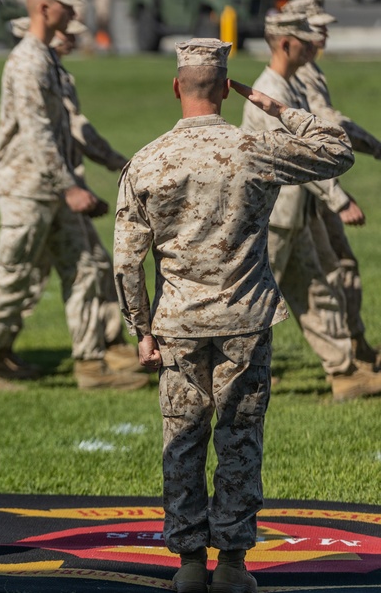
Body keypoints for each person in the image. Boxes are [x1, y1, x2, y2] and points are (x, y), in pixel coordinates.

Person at [113, 38, 353, 593]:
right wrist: (277, 108)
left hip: (177, 326)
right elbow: (336, 150)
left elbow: (127, 261)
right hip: (246, 319)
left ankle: (190, 566)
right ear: (225, 88)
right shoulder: (255, 147)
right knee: (240, 439)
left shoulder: (146, 161)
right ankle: (233, 566)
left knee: (184, 440)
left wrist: (140, 329)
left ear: (177, 87)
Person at [0, 0, 146, 391]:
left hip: (48, 188)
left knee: (84, 269)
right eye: (66, 5)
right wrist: (71, 187)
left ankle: (90, 364)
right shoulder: (28, 61)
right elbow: (35, 133)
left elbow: (64, 132)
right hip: (28, 189)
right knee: (14, 277)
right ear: (44, 8)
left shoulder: (45, 58)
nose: (74, 13)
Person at [241, 12, 381, 401]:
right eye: (305, 39)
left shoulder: (290, 85)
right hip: (272, 218)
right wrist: (339, 199)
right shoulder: (269, 90)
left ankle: (344, 372)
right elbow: (300, 158)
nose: (315, 43)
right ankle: (231, 372)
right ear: (285, 44)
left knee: (316, 290)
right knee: (251, 298)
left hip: (294, 214)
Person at [285, 0, 381, 372]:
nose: (324, 32)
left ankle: (353, 350)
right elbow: (324, 127)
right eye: (317, 26)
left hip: (312, 191)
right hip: (302, 193)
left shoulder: (310, 70)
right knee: (315, 274)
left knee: (335, 268)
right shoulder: (300, 74)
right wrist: (338, 196)